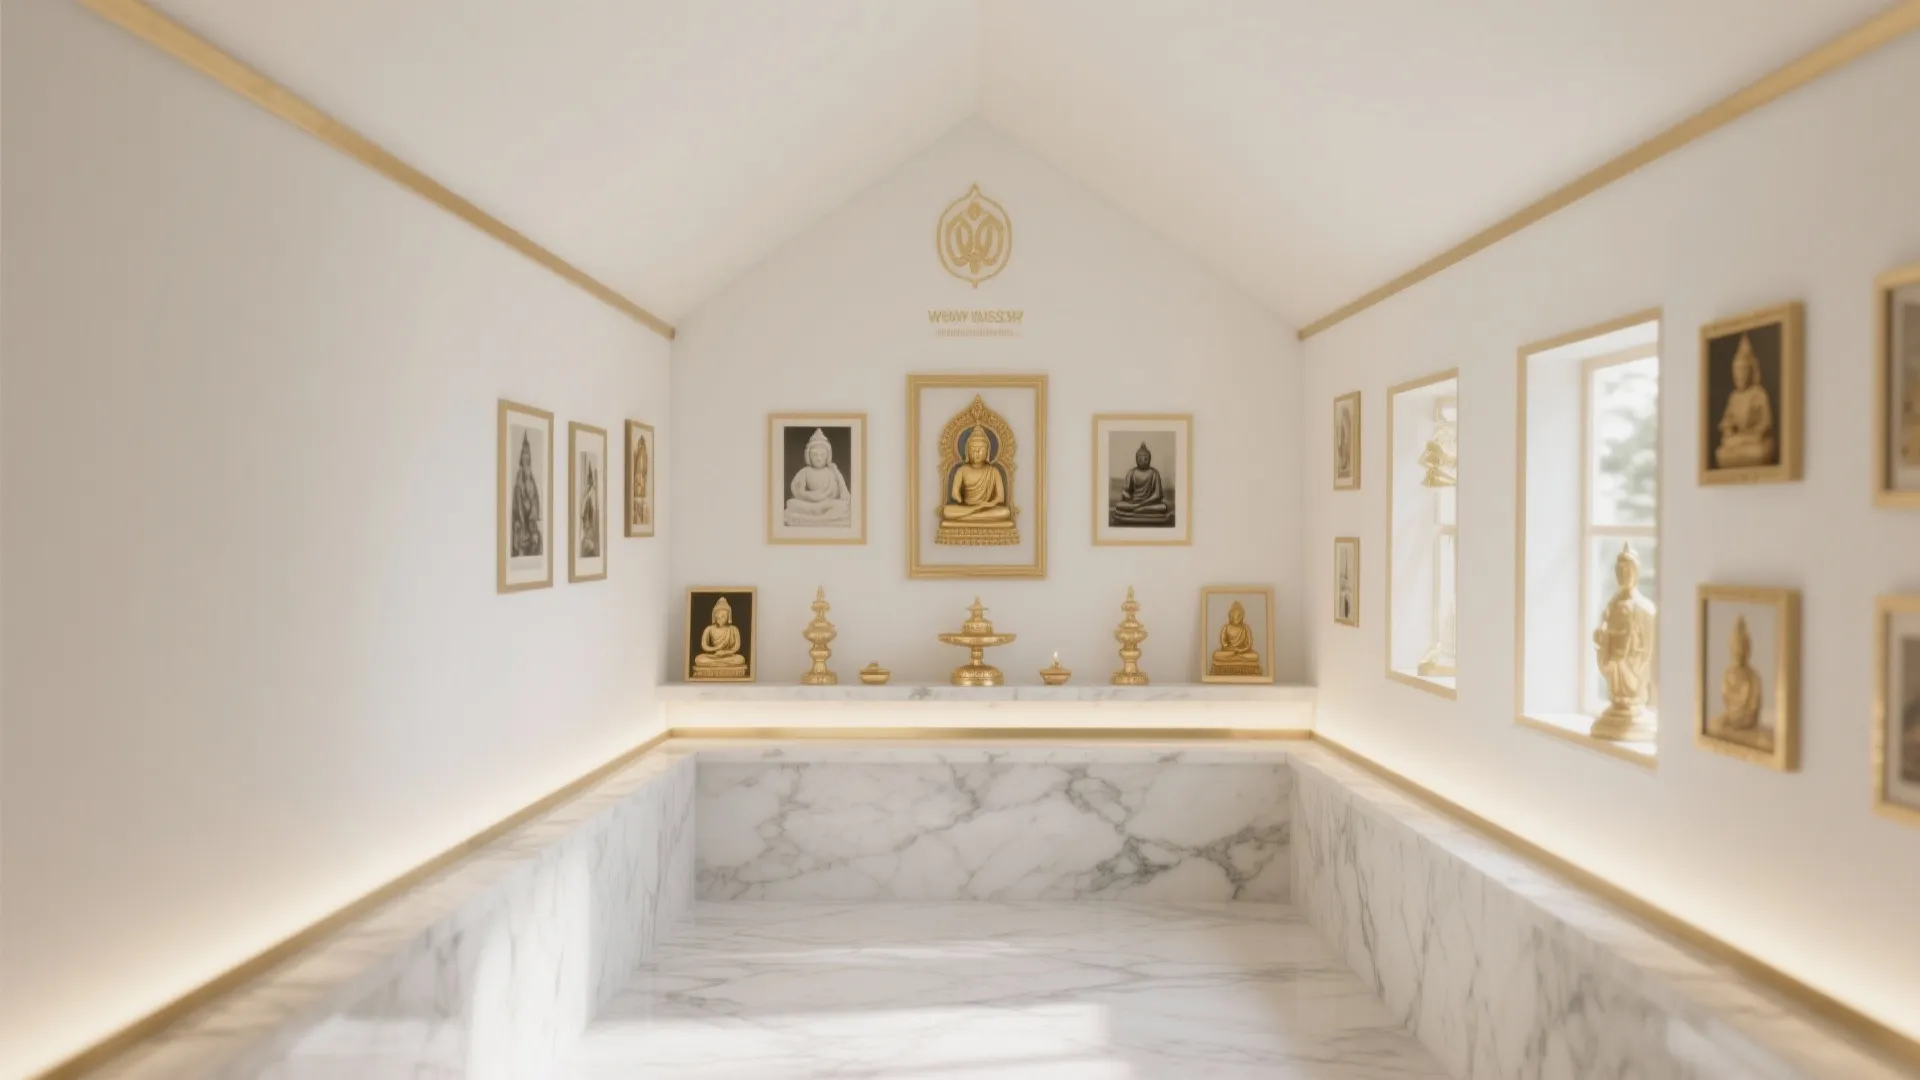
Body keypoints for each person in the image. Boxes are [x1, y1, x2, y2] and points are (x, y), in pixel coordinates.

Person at [1715, 335, 1776, 468]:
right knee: (1722, 452)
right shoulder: (1734, 397)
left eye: (1743, 371)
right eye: (1737, 371)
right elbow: (1727, 421)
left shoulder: (1759, 394)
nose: (1739, 375)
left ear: (1751, 371)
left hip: (1754, 440)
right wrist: (1728, 429)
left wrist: (1754, 433)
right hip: (1738, 441)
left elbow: (1767, 422)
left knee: (1759, 451)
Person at [784, 429, 852, 527]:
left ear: (828, 456)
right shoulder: (805, 472)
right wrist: (813, 497)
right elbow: (798, 492)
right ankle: (822, 519)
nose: (818, 458)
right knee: (791, 503)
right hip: (809, 504)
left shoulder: (831, 472)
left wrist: (836, 472)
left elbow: (845, 496)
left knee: (843, 506)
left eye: (822, 454)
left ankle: (813, 520)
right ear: (808, 456)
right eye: (815, 455)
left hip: (827, 504)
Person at [1110, 443, 1173, 526]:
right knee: (1119, 505)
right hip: (1133, 502)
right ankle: (1139, 509)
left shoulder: (1154, 473)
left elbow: (1157, 495)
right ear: (1136, 459)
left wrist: (1142, 504)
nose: (1142, 461)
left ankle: (1137, 510)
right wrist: (1129, 497)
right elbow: (1125, 491)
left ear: (1149, 459)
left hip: (1149, 503)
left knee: (1162, 507)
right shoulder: (1131, 473)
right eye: (1140, 459)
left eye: (1145, 458)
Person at [692, 596, 747, 673]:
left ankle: (718, 665)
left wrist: (725, 653)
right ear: (714, 616)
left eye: (723, 616)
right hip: (713, 656)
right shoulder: (709, 629)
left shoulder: (733, 629)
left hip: (728, 656)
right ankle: (720, 665)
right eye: (717, 616)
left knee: (740, 659)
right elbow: (704, 646)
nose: (720, 618)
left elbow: (736, 647)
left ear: (728, 617)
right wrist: (717, 649)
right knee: (699, 659)